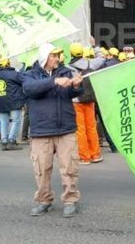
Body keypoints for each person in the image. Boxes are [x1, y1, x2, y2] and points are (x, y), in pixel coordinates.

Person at [23, 43, 84, 218]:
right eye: (53, 55)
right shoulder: (29, 74)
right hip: (41, 130)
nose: (57, 59)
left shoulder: (66, 71)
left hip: (66, 128)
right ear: (45, 57)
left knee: (69, 167)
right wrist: (53, 81)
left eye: (58, 55)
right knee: (42, 169)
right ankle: (44, 200)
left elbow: (73, 94)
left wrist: (76, 86)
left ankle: (71, 200)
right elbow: (29, 89)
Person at [68, 43, 105, 165]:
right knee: (91, 127)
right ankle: (95, 155)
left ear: (71, 53)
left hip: (77, 101)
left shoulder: (69, 68)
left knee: (80, 129)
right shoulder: (91, 63)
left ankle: (85, 157)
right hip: (90, 99)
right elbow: (102, 57)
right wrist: (95, 46)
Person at [0, 59, 25, 151]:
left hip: (0, 101)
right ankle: (11, 141)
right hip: (14, 100)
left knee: (3, 121)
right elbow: (23, 81)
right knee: (16, 120)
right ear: (8, 64)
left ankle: (4, 141)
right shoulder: (14, 74)